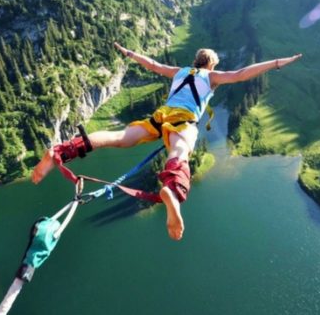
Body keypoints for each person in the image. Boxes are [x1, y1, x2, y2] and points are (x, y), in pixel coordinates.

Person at [32, 42, 302, 240]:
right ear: (211, 65)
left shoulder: (179, 71)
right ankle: (171, 190)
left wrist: (128, 53)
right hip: (183, 121)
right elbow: (242, 74)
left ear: (195, 60)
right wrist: (277, 63)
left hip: (160, 116)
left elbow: (151, 64)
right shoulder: (212, 77)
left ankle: (60, 152)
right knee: (180, 151)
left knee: (119, 137)